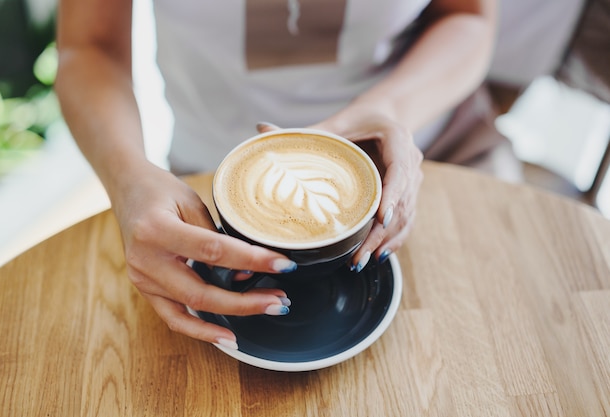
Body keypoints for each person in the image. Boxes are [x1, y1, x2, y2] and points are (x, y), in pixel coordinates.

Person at [55, 0, 497, 350]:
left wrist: (391, 109)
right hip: (206, 193)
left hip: (431, 151)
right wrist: (128, 175)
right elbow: (88, 47)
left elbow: (469, 16)